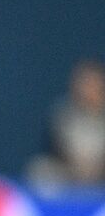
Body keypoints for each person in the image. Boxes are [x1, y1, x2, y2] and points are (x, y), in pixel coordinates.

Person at [27, 58, 105, 191]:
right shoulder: (62, 113)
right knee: (40, 168)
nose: (88, 89)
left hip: (101, 176)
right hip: (71, 175)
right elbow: (60, 151)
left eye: (93, 83)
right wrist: (80, 169)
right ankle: (56, 210)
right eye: (84, 83)